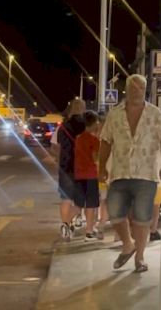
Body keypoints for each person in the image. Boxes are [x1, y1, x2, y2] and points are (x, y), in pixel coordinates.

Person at [99, 74, 161, 273]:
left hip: (146, 173)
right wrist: (101, 167)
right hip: (120, 171)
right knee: (115, 212)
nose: (137, 91)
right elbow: (105, 141)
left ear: (145, 90)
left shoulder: (155, 113)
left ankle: (140, 258)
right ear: (126, 89)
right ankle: (128, 245)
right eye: (133, 87)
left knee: (142, 218)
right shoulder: (115, 114)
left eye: (141, 88)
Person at [57, 98, 87, 241]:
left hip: (65, 166)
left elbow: (58, 147)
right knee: (81, 200)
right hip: (81, 166)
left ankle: (65, 225)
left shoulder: (62, 126)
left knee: (65, 198)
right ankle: (68, 222)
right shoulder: (86, 125)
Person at [74, 111, 104, 240]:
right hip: (91, 175)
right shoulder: (94, 140)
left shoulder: (77, 138)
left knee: (78, 202)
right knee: (91, 204)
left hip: (78, 174)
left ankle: (71, 222)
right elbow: (95, 157)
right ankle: (89, 230)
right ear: (92, 124)